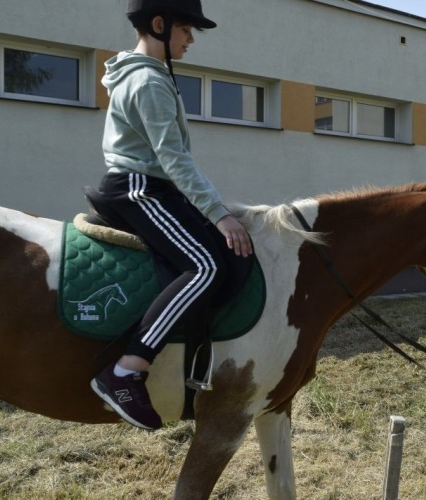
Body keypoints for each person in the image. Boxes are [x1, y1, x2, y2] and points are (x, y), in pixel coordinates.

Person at [90, 0, 252, 431]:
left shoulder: (149, 75)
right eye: (185, 29)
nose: (191, 39)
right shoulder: (148, 81)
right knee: (205, 266)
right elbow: (175, 160)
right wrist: (220, 214)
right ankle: (127, 370)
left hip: (149, 185)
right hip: (140, 189)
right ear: (159, 25)